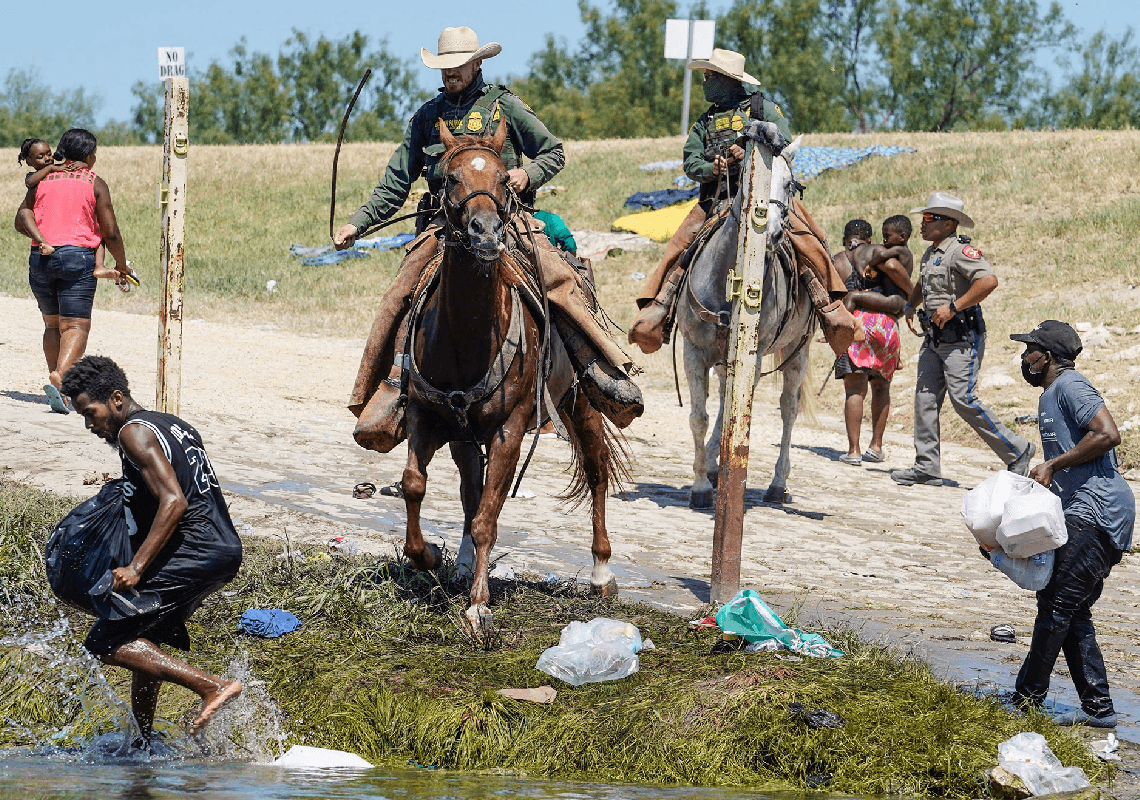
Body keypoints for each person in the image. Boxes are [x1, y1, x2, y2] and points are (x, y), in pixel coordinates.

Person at [332, 26, 641, 439]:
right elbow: (395, 183)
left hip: (506, 221)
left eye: (457, 65)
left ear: (477, 63)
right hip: (445, 229)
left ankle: (597, 368)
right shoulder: (428, 116)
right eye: (444, 67)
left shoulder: (505, 106)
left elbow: (554, 151)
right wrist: (358, 223)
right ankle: (388, 389)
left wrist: (525, 174)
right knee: (399, 292)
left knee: (559, 277)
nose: (450, 74)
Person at [61, 356, 243, 743]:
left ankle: (212, 686)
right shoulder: (174, 425)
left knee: (104, 640)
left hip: (196, 550)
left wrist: (137, 568)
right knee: (146, 632)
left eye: (91, 414)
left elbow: (174, 501)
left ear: (116, 398)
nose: (91, 425)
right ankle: (141, 740)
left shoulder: (133, 432)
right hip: (222, 547)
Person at [1004, 320, 1134, 728]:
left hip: (1098, 511)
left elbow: (1108, 435)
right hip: (1082, 510)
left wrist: (1054, 463)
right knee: (1072, 611)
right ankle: (1100, 710)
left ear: (1047, 356)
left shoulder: (1070, 386)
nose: (1024, 358)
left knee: (1057, 606)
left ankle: (1025, 701)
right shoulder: (1050, 396)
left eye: (1029, 350)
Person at [627, 48, 791, 354]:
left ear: (727, 80)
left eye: (709, 77)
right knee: (678, 244)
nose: (704, 83)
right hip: (716, 200)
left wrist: (752, 153)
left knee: (811, 239)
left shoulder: (765, 109)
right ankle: (660, 309)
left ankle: (830, 307)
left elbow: (785, 145)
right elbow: (690, 163)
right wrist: (711, 168)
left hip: (766, 197)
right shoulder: (704, 121)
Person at [890, 192, 1034, 486]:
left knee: (963, 400)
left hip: (962, 337)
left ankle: (1018, 450)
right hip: (935, 338)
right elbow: (923, 282)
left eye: (929, 219)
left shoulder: (961, 252)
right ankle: (927, 466)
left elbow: (988, 281)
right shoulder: (932, 252)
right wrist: (910, 305)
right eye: (924, 218)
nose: (923, 224)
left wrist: (955, 306)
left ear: (949, 224)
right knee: (924, 399)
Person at [14, 129, 135, 414]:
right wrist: (121, 264)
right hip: (78, 258)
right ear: (90, 156)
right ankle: (61, 377)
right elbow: (111, 232)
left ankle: (59, 389)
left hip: (41, 258)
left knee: (52, 324)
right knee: (76, 326)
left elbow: (21, 221)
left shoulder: (43, 180)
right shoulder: (95, 182)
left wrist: (45, 239)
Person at [830, 219, 913, 464]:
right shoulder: (876, 251)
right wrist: (910, 294)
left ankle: (853, 451)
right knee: (881, 386)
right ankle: (875, 446)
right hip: (885, 324)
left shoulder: (838, 260)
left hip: (854, 323)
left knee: (855, 389)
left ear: (846, 238)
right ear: (871, 236)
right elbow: (892, 266)